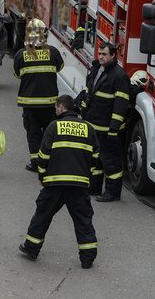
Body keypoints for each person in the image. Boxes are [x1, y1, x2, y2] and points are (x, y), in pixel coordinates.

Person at [19, 94, 101, 269]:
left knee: (43, 215)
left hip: (54, 183)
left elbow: (43, 156)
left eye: (56, 108)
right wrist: (87, 176)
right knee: (83, 220)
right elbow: (95, 156)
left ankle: (31, 248)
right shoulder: (88, 128)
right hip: (79, 185)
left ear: (62, 108)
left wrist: (42, 176)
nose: (55, 111)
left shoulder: (54, 127)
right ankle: (87, 258)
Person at [79, 41, 131, 202]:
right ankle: (94, 187)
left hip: (108, 128)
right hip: (94, 124)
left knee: (111, 162)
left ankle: (112, 192)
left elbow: (121, 104)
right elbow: (89, 93)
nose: (101, 57)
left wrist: (114, 128)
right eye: (99, 53)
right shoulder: (96, 69)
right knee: (95, 159)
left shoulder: (119, 76)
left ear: (113, 55)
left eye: (104, 54)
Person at [13, 18, 65, 172]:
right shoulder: (53, 52)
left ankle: (36, 163)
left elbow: (16, 74)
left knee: (33, 133)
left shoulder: (21, 55)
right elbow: (60, 67)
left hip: (29, 105)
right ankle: (49, 161)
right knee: (50, 133)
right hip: (49, 104)